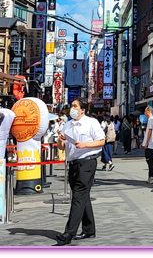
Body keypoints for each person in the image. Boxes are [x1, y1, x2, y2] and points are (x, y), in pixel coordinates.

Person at [54, 98, 106, 246]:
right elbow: (62, 147)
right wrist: (60, 140)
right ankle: (89, 229)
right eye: (72, 106)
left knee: (78, 196)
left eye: (75, 106)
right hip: (73, 164)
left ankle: (68, 233)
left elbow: (101, 141)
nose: (73, 109)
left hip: (87, 162)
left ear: (83, 109)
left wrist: (85, 145)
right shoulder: (68, 125)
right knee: (82, 196)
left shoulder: (91, 122)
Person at [143, 106, 153, 184]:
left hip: (150, 143)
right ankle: (152, 176)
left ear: (149, 111)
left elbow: (150, 131)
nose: (144, 113)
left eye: (145, 111)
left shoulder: (151, 120)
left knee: (149, 160)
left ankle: (152, 176)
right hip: (151, 143)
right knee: (150, 160)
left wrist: (146, 143)